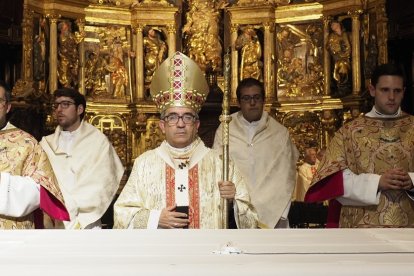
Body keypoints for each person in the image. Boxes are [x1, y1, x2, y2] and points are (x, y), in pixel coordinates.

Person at [114, 52, 258, 229]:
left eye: (187, 117)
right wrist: (155, 219)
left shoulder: (222, 164)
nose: (180, 124)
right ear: (162, 125)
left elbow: (250, 220)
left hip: (208, 253)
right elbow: (121, 215)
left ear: (197, 124)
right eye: (172, 117)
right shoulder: (144, 164)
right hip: (160, 253)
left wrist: (232, 203)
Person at [305, 63, 414, 228]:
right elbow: (334, 182)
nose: (391, 97)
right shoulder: (349, 132)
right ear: (372, 90)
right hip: (362, 227)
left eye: (397, 91)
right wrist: (377, 182)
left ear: (403, 92)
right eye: (385, 90)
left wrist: (412, 181)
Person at [213, 78, 299, 228]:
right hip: (233, 209)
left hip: (272, 209)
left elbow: (286, 175)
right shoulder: (226, 128)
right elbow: (217, 164)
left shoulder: (279, 133)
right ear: (239, 102)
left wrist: (278, 210)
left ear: (263, 100)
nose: (252, 103)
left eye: (256, 97)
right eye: (246, 98)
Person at [40, 88, 124, 229]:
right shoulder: (45, 144)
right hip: (54, 221)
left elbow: (103, 183)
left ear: (79, 109)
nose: (59, 109)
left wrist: (74, 209)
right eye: (56, 105)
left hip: (87, 222)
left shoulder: (97, 142)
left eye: (65, 104)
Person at [0, 81, 69, 229]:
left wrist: (2, 183)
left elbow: (41, 190)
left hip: (11, 233)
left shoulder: (26, 143)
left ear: (8, 107)